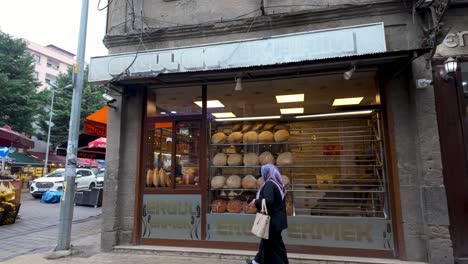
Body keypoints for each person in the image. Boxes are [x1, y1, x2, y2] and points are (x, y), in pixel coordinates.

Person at [246, 164, 288, 264]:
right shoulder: (277, 184)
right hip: (277, 220)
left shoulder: (269, 184)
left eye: (263, 172)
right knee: (267, 243)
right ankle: (257, 261)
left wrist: (256, 202)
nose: (262, 174)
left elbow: (269, 201)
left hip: (272, 221)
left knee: (275, 246)